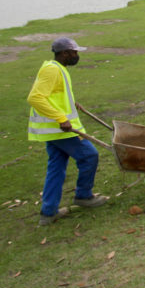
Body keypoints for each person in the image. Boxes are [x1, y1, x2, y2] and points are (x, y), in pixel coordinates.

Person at [28, 37, 108, 226]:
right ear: (64, 53)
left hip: (53, 131)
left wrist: (72, 104)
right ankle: (83, 196)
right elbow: (35, 97)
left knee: (56, 168)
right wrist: (61, 118)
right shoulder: (52, 70)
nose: (76, 55)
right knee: (89, 155)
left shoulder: (57, 69)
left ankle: (48, 212)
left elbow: (55, 95)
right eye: (74, 52)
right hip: (60, 130)